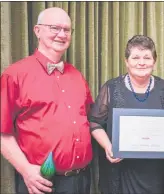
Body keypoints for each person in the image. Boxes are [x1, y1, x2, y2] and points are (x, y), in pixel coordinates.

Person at [1, 7, 94, 194]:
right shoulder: (15, 74)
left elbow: (90, 121)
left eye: (67, 30)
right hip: (42, 184)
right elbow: (3, 132)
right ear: (37, 30)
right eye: (54, 28)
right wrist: (26, 170)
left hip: (82, 181)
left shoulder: (76, 75)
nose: (61, 34)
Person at [90, 35, 164, 194]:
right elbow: (94, 122)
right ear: (126, 61)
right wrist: (108, 146)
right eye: (135, 57)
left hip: (153, 173)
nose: (142, 62)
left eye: (147, 57)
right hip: (118, 171)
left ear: (154, 62)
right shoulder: (112, 88)